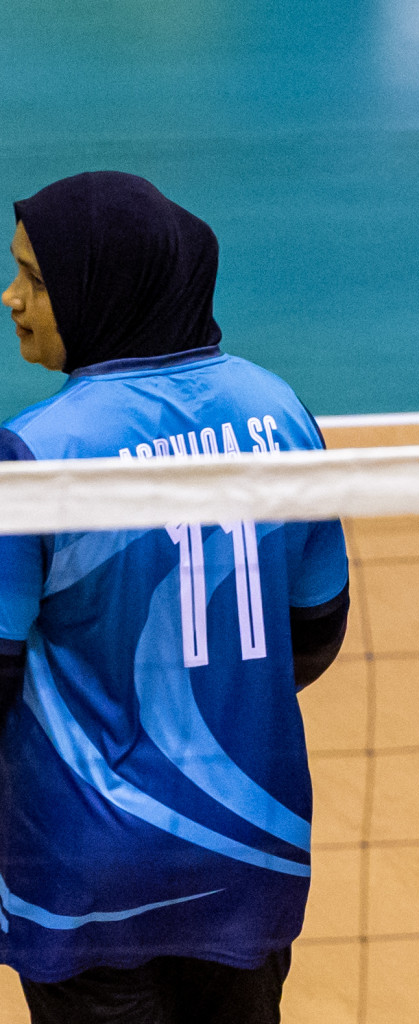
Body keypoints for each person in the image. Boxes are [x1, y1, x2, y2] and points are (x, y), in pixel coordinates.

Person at [0, 171, 350, 1023]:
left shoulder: (36, 456)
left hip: (85, 873)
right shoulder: (280, 411)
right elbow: (317, 629)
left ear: (100, 287)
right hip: (248, 853)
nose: (11, 298)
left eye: (36, 280)